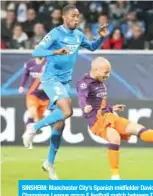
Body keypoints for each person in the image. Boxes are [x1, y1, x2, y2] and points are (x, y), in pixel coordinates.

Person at [22, 4, 108, 180]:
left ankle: (49, 163)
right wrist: (55, 51)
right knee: (67, 110)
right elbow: (36, 51)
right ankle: (33, 127)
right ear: (64, 17)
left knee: (60, 124)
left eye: (78, 17)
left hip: (64, 82)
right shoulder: (55, 33)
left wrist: (101, 38)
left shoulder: (78, 35)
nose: (77, 19)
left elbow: (91, 47)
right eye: (74, 16)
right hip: (50, 79)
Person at [76, 57, 153, 180]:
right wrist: (85, 106)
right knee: (114, 138)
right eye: (106, 72)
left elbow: (101, 103)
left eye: (109, 72)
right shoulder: (84, 83)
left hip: (108, 116)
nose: (108, 75)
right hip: (97, 121)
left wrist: (112, 107)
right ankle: (115, 176)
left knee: (137, 128)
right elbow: (82, 97)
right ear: (96, 69)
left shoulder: (101, 83)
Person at [19, 57, 49, 149]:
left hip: (45, 96)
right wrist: (21, 86)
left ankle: (28, 138)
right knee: (33, 113)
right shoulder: (30, 63)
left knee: (36, 121)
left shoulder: (48, 63)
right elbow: (25, 74)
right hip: (33, 93)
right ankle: (28, 135)